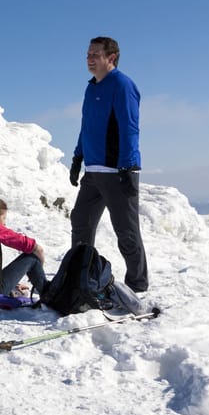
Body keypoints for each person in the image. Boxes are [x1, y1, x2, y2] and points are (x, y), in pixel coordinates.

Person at [69, 36, 149, 292]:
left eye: (95, 54)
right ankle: (80, 275)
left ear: (111, 57)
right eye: (88, 54)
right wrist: (77, 157)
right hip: (93, 171)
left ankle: (137, 285)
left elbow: (130, 127)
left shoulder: (122, 85)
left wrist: (128, 166)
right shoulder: (91, 88)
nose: (89, 59)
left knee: (126, 231)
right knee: (80, 221)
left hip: (117, 170)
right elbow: (86, 126)